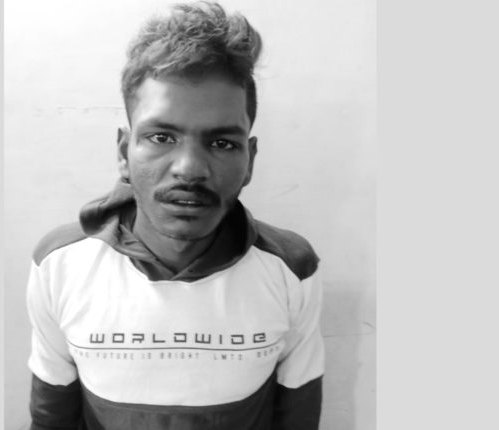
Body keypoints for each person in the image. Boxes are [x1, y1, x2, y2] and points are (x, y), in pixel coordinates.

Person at [26, 2, 324, 429]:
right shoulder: (59, 264)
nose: (190, 168)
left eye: (222, 143)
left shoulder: (291, 268)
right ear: (124, 152)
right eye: (162, 137)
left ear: (250, 159)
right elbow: (50, 418)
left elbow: (298, 417)